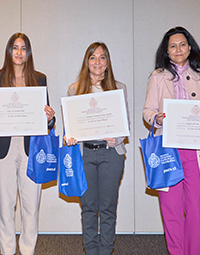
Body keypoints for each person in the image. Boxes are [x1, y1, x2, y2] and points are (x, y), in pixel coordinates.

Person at [143, 26, 200, 255]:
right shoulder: (158, 76)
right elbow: (148, 111)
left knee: (195, 209)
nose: (178, 49)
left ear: (190, 47)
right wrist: (157, 118)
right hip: (169, 151)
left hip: (196, 152)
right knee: (171, 210)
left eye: (182, 44)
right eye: (172, 46)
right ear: (167, 51)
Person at [0, 33, 55, 255]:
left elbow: (47, 121)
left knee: (31, 206)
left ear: (28, 52)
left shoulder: (39, 79)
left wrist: (50, 117)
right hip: (3, 150)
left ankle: (28, 251)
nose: (19, 52)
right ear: (8, 51)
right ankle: (7, 252)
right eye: (15, 48)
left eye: (23, 48)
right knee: (5, 206)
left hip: (32, 149)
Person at [65, 42, 130, 255]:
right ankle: (91, 251)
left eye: (102, 58)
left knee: (108, 208)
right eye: (93, 57)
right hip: (85, 154)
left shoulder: (119, 88)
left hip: (111, 154)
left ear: (107, 62)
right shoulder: (75, 89)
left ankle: (106, 251)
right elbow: (70, 126)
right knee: (89, 207)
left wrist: (117, 138)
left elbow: (124, 124)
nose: (97, 62)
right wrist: (69, 136)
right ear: (87, 62)